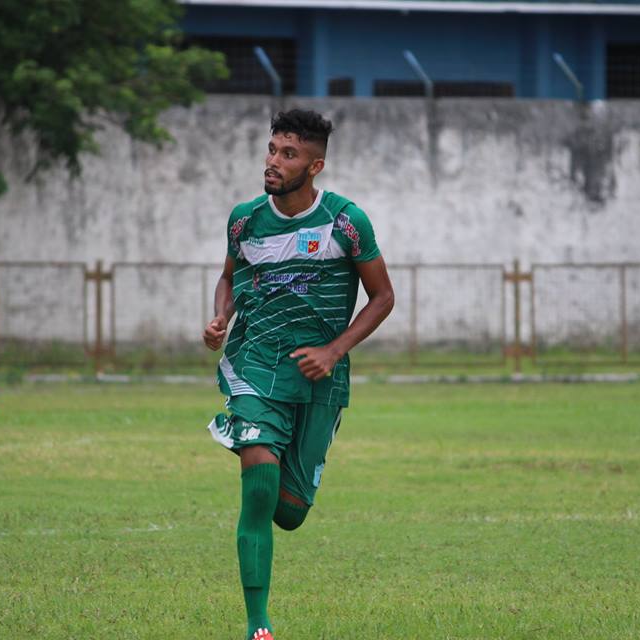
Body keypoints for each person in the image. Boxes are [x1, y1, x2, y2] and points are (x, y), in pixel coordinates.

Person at [202, 109, 395, 640]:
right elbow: (228, 278)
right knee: (257, 486)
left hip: (318, 380)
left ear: (315, 166)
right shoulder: (244, 220)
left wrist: (333, 351)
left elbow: (383, 297)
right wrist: (221, 316)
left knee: (289, 513)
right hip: (255, 367)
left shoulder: (345, 222)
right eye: (271, 150)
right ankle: (258, 625)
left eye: (288, 155)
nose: (273, 162)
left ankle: (296, 483)